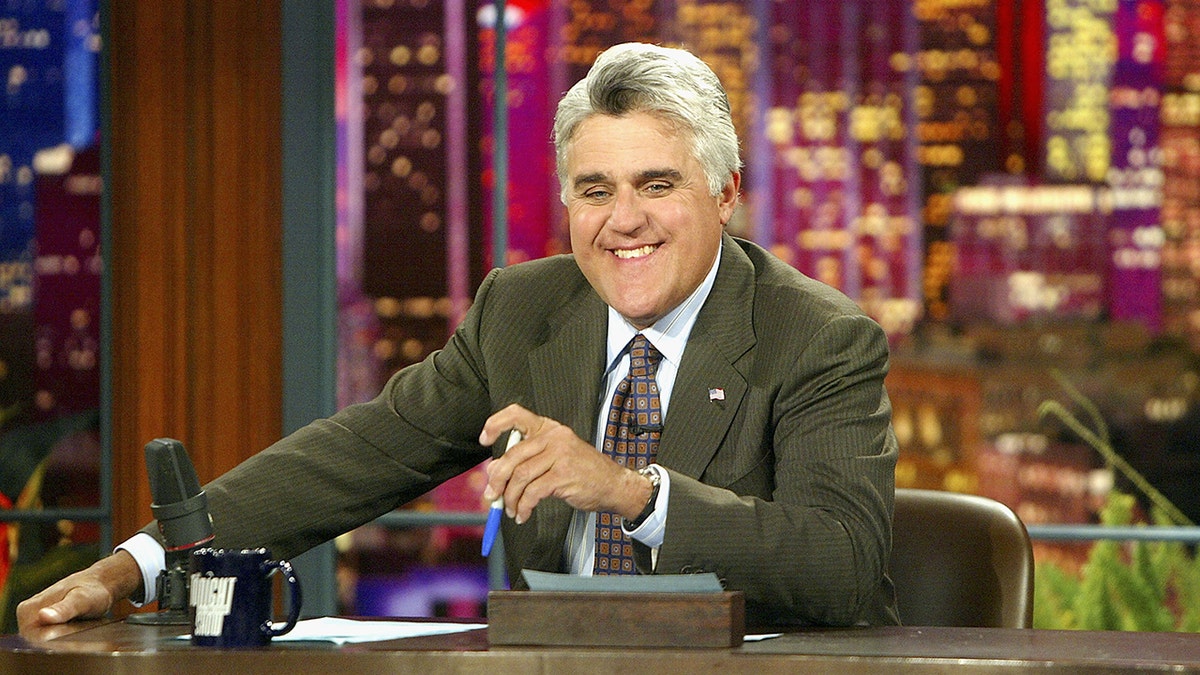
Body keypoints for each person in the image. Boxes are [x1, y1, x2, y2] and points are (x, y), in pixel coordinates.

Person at [18, 42, 899, 630]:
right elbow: (357, 456)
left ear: (725, 192)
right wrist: (133, 565)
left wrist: (631, 492)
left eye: (656, 185)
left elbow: (846, 562)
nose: (623, 220)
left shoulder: (818, 337)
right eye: (594, 191)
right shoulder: (522, 309)